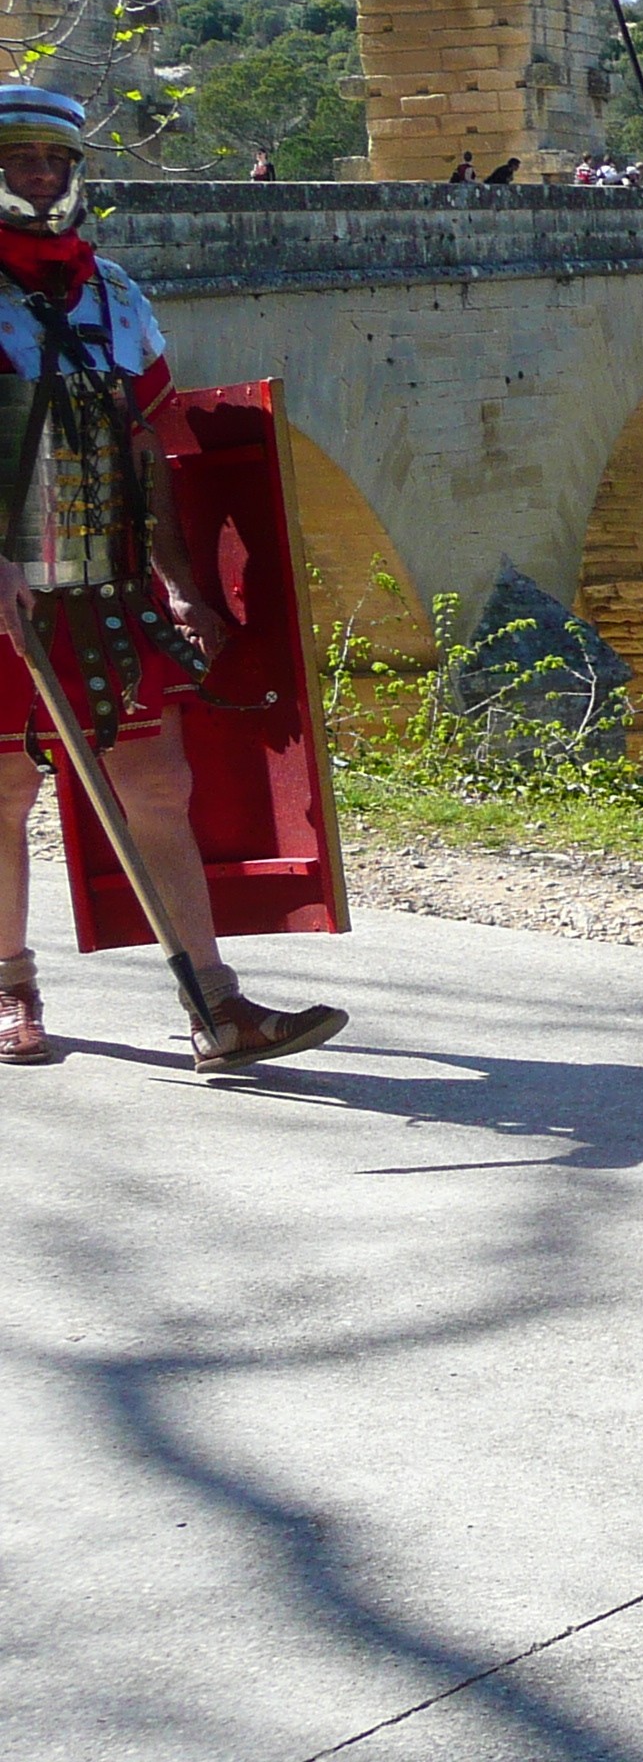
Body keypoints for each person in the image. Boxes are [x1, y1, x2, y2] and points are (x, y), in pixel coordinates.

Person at [0, 86, 348, 1071]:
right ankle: (12, 984)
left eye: (53, 162)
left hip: (105, 586)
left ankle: (216, 1000)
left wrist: (183, 582)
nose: (39, 177)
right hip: (4, 593)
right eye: (22, 161)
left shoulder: (113, 293)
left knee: (159, 782)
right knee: (3, 789)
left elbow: (148, 447)